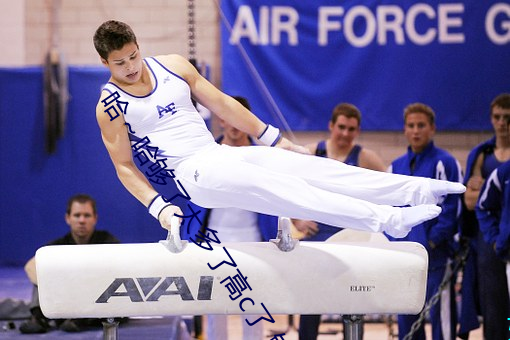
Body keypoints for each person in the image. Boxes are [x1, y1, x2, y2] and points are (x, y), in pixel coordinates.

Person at [93, 20, 464, 247]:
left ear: (139, 46)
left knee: (311, 168)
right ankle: (387, 220)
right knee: (288, 191)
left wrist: (273, 138)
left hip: (218, 155)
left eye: (133, 56)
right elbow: (124, 166)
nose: (129, 68)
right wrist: (159, 208)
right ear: (105, 63)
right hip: (192, 175)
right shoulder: (110, 105)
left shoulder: (172, 65)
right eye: (119, 63)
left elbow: (222, 103)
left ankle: (413, 189)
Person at [182, 96, 276, 340]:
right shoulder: (204, 154)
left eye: (239, 119)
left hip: (255, 241)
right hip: (213, 241)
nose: (235, 125)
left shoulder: (263, 159)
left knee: (255, 308)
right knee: (215, 310)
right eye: (229, 118)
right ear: (221, 119)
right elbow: (190, 199)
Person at [295, 102, 386, 340]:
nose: (345, 134)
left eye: (351, 129)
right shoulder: (311, 152)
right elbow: (285, 189)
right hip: (318, 235)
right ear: (331, 126)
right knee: (310, 302)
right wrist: (297, 219)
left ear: (357, 131)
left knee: (353, 300)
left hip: (351, 240)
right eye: (341, 127)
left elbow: (389, 192)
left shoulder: (365, 158)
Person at [387, 103, 462, 340]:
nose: (416, 131)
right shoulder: (395, 167)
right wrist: (395, 243)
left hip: (436, 257)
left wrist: (432, 241)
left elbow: (452, 209)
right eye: (411, 126)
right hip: (405, 259)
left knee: (442, 320)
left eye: (421, 125)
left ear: (432, 129)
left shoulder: (445, 163)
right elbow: (388, 209)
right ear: (405, 130)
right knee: (407, 321)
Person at [19, 194, 120, 334]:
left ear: (95, 218)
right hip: (65, 297)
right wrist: (60, 283)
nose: (82, 220)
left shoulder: (108, 242)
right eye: (77, 215)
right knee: (42, 270)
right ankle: (38, 318)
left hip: (96, 301)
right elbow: (31, 266)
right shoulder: (57, 246)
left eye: (87, 215)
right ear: (68, 218)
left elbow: (118, 270)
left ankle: (80, 319)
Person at [460, 93, 510, 340]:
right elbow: (469, 202)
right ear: (491, 119)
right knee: (493, 304)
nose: (502, 123)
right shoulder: (482, 154)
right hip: (489, 238)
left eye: (507, 118)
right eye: (497, 117)